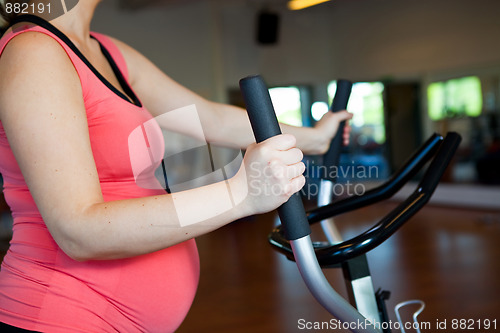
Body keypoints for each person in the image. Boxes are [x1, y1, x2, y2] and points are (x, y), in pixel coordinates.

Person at [0, 1, 352, 332]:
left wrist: (316, 139)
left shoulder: (105, 50)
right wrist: (241, 192)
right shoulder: (34, 53)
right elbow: (78, 230)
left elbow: (210, 119)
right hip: (64, 314)